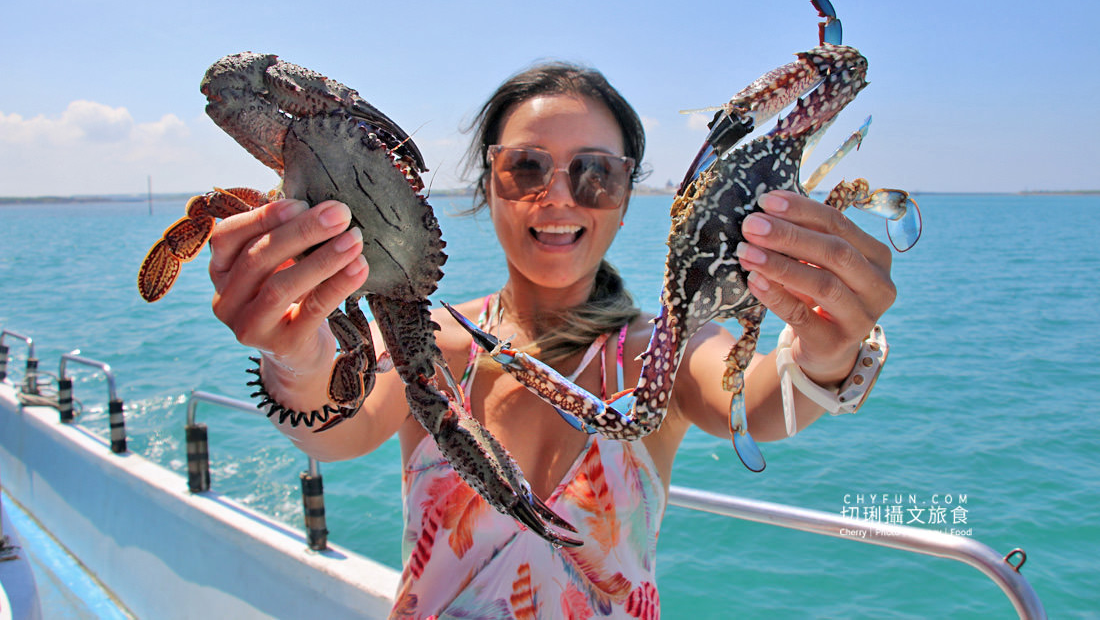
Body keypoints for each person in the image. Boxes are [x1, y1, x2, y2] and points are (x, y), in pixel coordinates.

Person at [206, 62, 897, 618]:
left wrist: (828, 352)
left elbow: (757, 399)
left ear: (628, 199)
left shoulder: (661, 353)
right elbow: (339, 424)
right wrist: (292, 353)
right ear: (488, 185)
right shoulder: (438, 341)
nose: (560, 195)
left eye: (597, 173)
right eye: (526, 168)